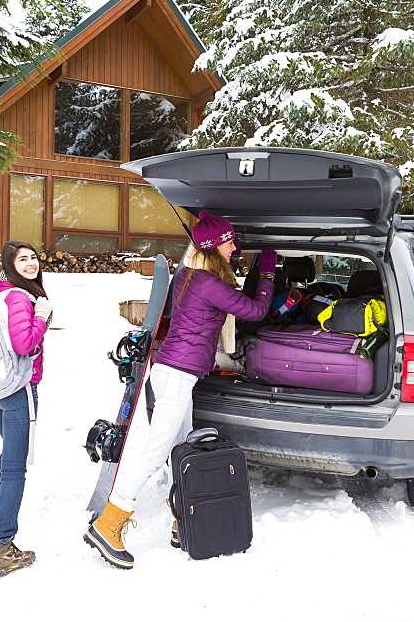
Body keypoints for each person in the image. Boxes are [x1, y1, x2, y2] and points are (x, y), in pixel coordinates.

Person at [84, 211, 277, 569]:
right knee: (155, 453)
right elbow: (256, 310)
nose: (235, 247)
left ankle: (182, 519)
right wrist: (266, 272)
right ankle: (109, 524)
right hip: (176, 375)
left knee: (183, 446)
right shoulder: (209, 283)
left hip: (174, 372)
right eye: (230, 241)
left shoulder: (189, 275)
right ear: (214, 245)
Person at [0, 240, 52, 578]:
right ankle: (3, 547)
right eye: (22, 259)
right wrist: (42, 317)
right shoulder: (21, 298)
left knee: (9, 451)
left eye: (33, 257)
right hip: (18, 388)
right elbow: (25, 343)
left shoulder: (1, 293)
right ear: (9, 265)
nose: (31, 263)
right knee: (15, 468)